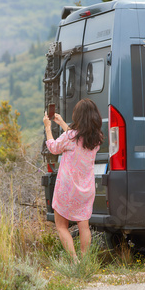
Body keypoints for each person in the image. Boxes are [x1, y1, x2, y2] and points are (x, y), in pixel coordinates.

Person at [43, 98, 103, 262]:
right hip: (86, 189)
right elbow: (76, 138)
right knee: (84, 226)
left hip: (67, 188)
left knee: (61, 226)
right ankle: (84, 261)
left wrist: (48, 128)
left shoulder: (70, 137)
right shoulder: (96, 138)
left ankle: (74, 260)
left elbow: (54, 148)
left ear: (78, 116)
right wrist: (61, 122)